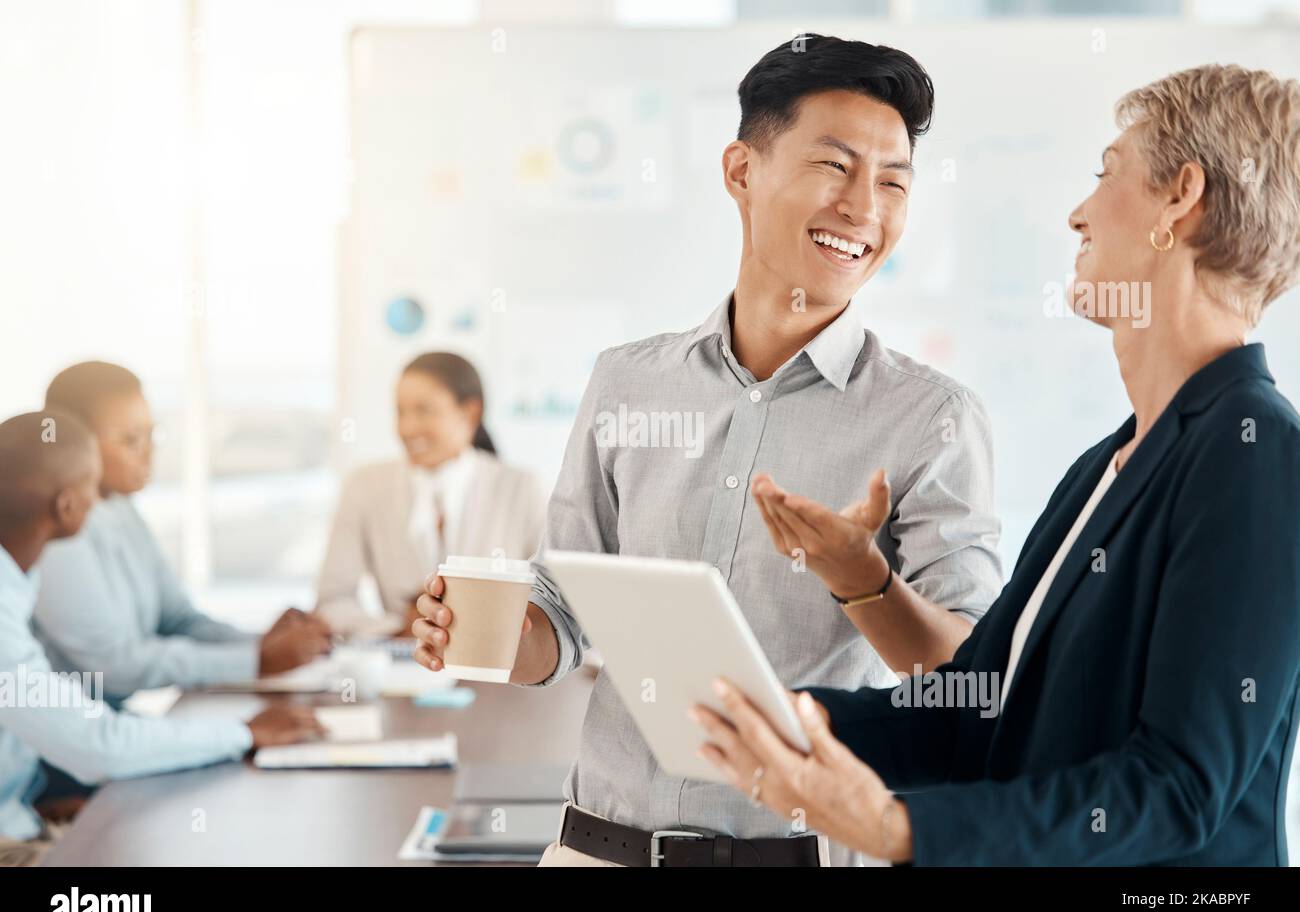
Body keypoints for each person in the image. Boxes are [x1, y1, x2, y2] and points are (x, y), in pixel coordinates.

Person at [414, 35, 1004, 867]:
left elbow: (965, 682)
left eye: (894, 182)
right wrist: (481, 631)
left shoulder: (932, 418)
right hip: (597, 846)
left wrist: (863, 583)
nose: (864, 206)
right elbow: (566, 613)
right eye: (834, 166)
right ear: (740, 171)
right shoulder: (627, 382)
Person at [693, 64, 1300, 866]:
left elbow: (1178, 788)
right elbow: (972, 712)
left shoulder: (1256, 451)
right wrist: (775, 714)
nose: (1079, 212)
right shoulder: (1104, 467)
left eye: (1107, 172)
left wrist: (895, 827)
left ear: (1179, 200)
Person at [0, 410, 323, 866]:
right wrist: (243, 732)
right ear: (67, 506)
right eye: (93, 487)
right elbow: (96, 745)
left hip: (26, 815)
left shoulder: (18, 577)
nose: (101, 500)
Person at [32, 362, 331, 699]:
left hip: (109, 728)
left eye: (151, 434)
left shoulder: (121, 508)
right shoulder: (55, 535)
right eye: (130, 439)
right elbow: (114, 664)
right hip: (67, 740)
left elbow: (178, 619)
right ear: (76, 445)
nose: (149, 452)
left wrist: (266, 644)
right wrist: (254, 660)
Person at [316, 352, 546, 637]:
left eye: (424, 410)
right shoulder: (365, 487)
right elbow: (332, 601)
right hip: (404, 672)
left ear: (470, 412)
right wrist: (401, 628)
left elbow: (551, 602)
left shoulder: (520, 488)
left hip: (495, 671)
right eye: (400, 412)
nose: (407, 428)